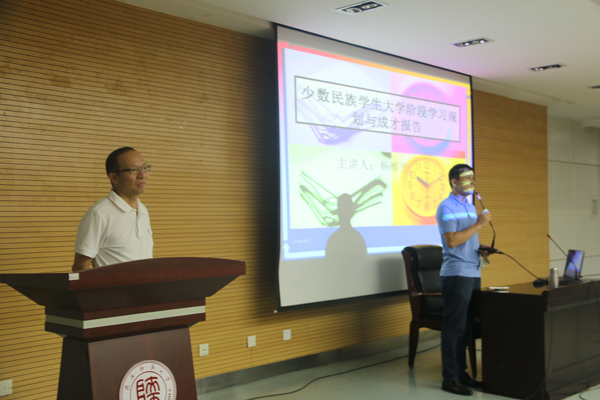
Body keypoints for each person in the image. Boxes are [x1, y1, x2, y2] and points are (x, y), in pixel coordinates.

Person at [435, 164, 492, 396]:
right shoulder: (446, 207)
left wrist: (480, 248)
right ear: (454, 182)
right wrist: (478, 224)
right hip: (457, 274)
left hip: (473, 271)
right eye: (467, 178)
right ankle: (449, 379)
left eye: (473, 177)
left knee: (466, 327)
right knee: (454, 328)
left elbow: (465, 238)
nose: (472, 182)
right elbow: (452, 241)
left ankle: (460, 374)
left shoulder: (469, 206)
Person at [72, 147, 153, 272]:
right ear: (114, 178)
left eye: (144, 168)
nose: (142, 175)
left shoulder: (142, 210)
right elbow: (80, 267)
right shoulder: (99, 214)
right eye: (133, 170)